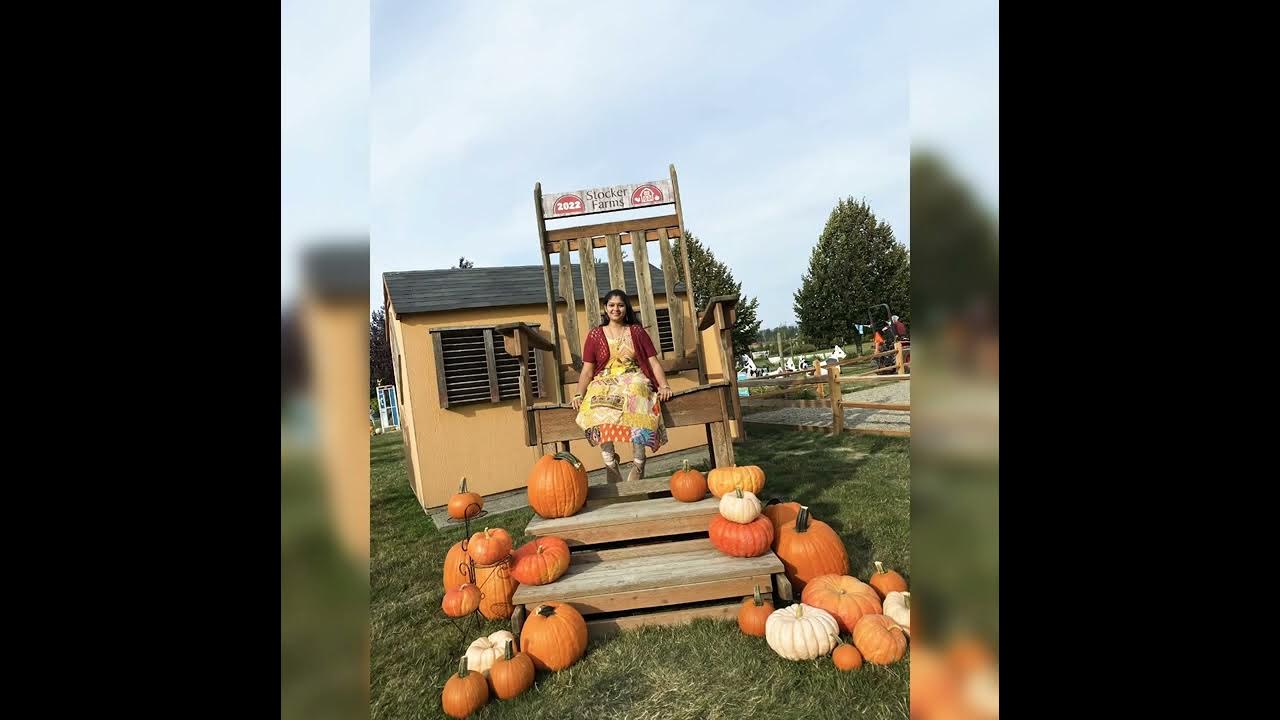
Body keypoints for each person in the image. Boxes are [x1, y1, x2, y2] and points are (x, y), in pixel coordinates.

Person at [571, 290, 673, 483]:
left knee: (636, 393)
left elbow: (653, 363)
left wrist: (664, 385)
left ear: (626, 308)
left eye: (620, 305)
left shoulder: (637, 332)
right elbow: (587, 371)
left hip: (633, 376)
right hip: (605, 379)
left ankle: (639, 461)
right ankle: (610, 462)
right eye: (611, 305)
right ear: (605, 308)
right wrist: (578, 394)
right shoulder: (595, 335)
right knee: (596, 398)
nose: (615, 309)